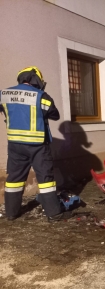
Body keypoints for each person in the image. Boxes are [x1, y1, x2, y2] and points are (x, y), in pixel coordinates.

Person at [0, 66, 72, 221]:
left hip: (15, 144)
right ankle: (53, 214)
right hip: (37, 145)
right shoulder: (41, 96)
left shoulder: (4, 94)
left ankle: (11, 213)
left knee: (14, 179)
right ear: (36, 79)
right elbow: (54, 114)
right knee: (45, 179)